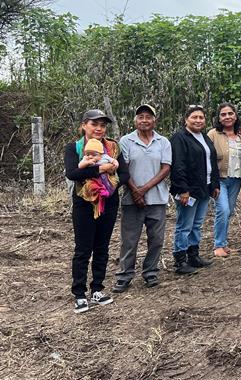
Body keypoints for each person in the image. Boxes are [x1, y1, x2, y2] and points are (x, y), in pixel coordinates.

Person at [65, 109, 129, 313]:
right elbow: (73, 173)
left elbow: (125, 174)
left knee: (102, 246)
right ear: (84, 125)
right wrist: (101, 170)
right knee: (83, 249)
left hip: (108, 202)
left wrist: (110, 187)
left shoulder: (113, 147)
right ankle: (79, 293)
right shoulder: (74, 148)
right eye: (94, 124)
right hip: (84, 204)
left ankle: (97, 289)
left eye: (102, 125)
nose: (99, 128)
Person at [113, 104, 171, 292]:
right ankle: (124, 275)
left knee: (157, 239)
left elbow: (166, 168)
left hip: (157, 198)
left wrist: (144, 189)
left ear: (155, 120)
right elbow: (124, 168)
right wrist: (135, 192)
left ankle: (151, 272)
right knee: (129, 240)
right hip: (132, 199)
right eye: (140, 117)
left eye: (148, 117)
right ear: (135, 121)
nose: (144, 120)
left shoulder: (163, 142)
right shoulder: (126, 141)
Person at [170, 105, 220, 274]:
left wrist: (215, 184)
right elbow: (178, 166)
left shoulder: (205, 138)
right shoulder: (180, 138)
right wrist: (183, 189)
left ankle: (194, 255)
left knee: (197, 224)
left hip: (204, 188)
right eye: (194, 117)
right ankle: (180, 260)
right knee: (184, 225)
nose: (198, 120)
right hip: (188, 191)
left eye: (201, 118)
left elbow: (212, 163)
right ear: (186, 119)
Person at [208, 103, 241, 257]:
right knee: (222, 210)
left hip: (236, 178)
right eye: (223, 114)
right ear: (219, 118)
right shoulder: (213, 134)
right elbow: (207, 157)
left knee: (229, 211)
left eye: (230, 113)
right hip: (220, 180)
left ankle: (223, 244)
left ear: (235, 116)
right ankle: (218, 245)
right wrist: (211, 181)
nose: (227, 117)